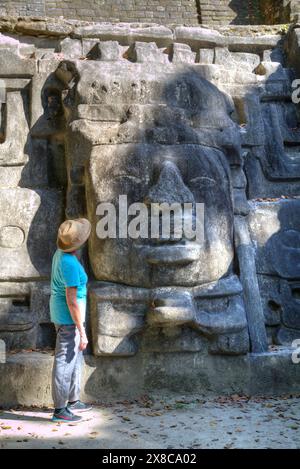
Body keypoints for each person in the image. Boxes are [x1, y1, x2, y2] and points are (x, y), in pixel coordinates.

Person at [50, 218, 92, 422]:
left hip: (67, 317)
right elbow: (72, 301)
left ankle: (73, 401)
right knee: (65, 359)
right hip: (68, 318)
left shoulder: (62, 254)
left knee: (74, 357)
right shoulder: (69, 264)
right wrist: (81, 330)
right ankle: (60, 410)